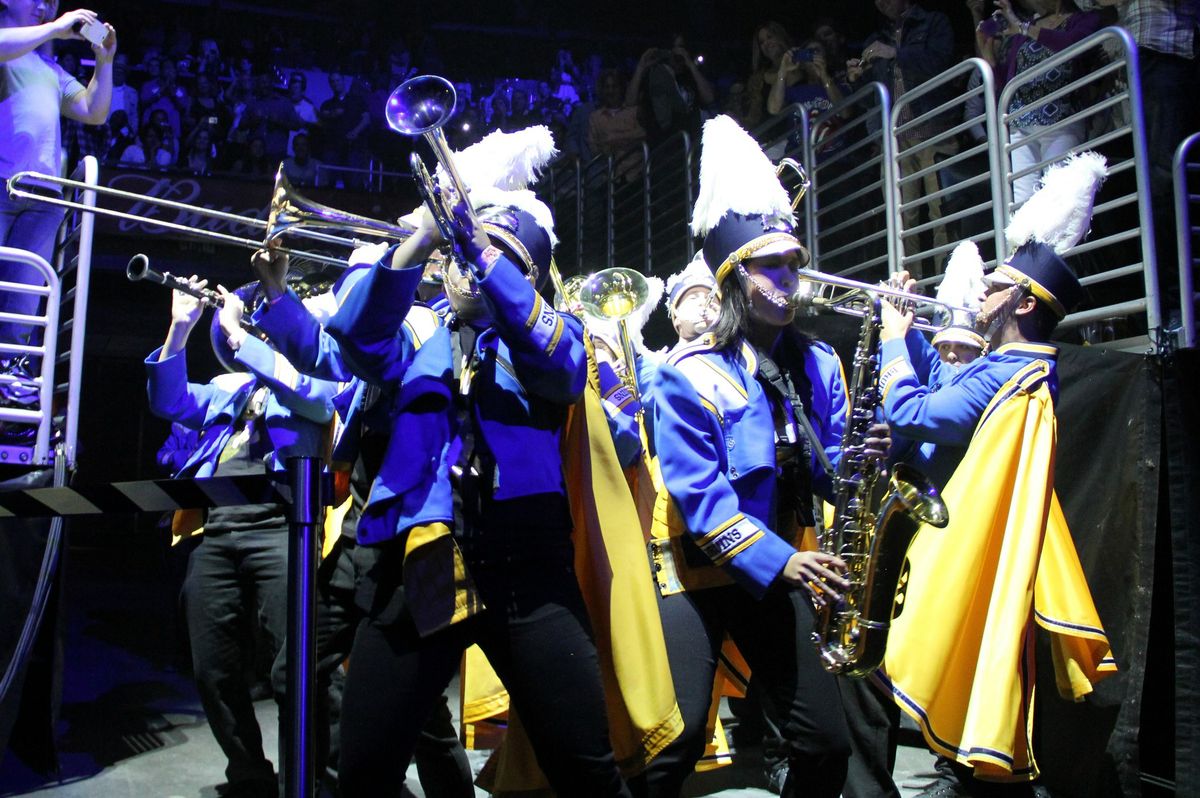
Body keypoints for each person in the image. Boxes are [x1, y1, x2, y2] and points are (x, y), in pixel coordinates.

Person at [321, 178, 632, 795]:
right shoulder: (416, 328)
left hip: (527, 567)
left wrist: (485, 254)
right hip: (417, 562)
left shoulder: (558, 332)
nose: (468, 264)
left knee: (587, 770)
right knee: (365, 770)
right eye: (461, 252)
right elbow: (356, 336)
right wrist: (428, 234)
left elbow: (566, 370)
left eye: (499, 258)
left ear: (531, 280)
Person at [844, 153, 1117, 797]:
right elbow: (939, 392)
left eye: (994, 288)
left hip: (957, 538)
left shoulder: (1008, 370)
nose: (981, 295)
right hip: (955, 525)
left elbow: (913, 408)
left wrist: (888, 339)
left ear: (1021, 303)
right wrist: (908, 336)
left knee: (873, 664)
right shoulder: (1005, 365)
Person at [632, 114, 856, 798]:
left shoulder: (817, 361)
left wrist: (859, 462)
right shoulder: (688, 374)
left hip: (773, 571)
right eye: (770, 268)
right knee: (678, 742)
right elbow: (702, 502)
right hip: (697, 572)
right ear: (734, 277)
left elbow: (827, 472)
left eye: (794, 263)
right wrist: (785, 560)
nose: (789, 279)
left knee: (826, 743)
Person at [249, 244, 477, 798]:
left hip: (410, 531)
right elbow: (322, 353)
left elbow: (350, 339)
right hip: (356, 532)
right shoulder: (383, 337)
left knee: (423, 712)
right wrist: (277, 294)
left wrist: (380, 263)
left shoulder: (423, 324)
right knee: (297, 669)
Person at [146, 276, 337, 798]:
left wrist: (239, 339)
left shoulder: (320, 375)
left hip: (283, 526)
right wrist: (180, 329)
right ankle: (249, 774)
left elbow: (316, 404)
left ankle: (312, 776)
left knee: (293, 666)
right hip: (218, 528)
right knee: (213, 665)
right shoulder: (232, 387)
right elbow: (171, 402)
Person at [0, 1, 115, 397]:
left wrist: (104, 61)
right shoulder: (8, 47)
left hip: (44, 194)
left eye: (51, 1)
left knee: (24, 300)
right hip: (2, 186)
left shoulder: (48, 69)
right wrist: (54, 30)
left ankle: (10, 380)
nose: (45, 6)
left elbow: (93, 110)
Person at [847, 0, 956, 273]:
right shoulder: (877, 37)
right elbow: (870, 98)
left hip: (932, 129)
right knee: (902, 220)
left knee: (940, 211)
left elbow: (941, 62)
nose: (881, 4)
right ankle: (912, 290)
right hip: (894, 138)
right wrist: (857, 77)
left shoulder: (933, 22)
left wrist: (895, 52)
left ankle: (947, 284)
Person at [970, 0, 1102, 206]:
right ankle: (1027, 240)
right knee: (1022, 205)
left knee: (1057, 200)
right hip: (1020, 125)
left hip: (1061, 121)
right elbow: (1010, 83)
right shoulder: (1027, 25)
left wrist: (1024, 29)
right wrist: (990, 58)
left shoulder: (1084, 20)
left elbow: (1071, 45)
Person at [744, 21, 796, 127]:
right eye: (762, 42)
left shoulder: (802, 64)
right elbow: (754, 117)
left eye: (770, 37)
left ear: (780, 36)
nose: (767, 43)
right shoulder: (758, 79)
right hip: (775, 137)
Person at [662, 254, 717, 351]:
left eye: (710, 298)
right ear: (676, 315)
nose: (703, 302)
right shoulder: (658, 364)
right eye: (693, 298)